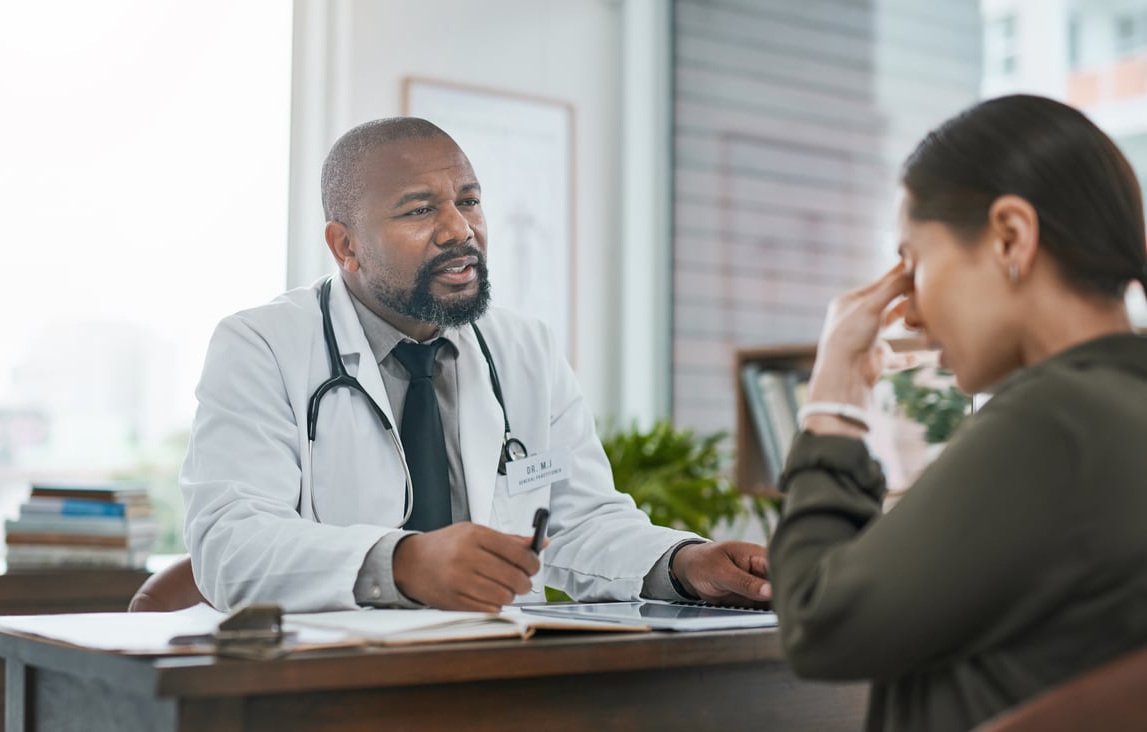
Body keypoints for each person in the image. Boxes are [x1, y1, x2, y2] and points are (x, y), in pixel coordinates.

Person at [181, 117, 770, 614]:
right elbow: (231, 545)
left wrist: (684, 563)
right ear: (346, 246)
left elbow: (579, 522)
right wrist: (402, 564)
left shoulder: (524, 348)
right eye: (419, 210)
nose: (460, 230)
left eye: (469, 201)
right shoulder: (261, 345)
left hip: (500, 673)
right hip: (339, 685)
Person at [768, 94, 1147, 732]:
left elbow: (818, 620)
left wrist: (833, 402)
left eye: (913, 262)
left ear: (1010, 237)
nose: (909, 311)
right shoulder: (1120, 407)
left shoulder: (1053, 422)